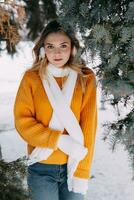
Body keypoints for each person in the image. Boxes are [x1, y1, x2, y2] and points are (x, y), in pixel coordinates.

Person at [14, 19, 98, 200]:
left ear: (73, 48)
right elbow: (23, 123)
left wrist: (82, 171)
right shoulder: (32, 78)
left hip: (74, 164)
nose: (57, 52)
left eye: (63, 45)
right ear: (43, 49)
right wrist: (58, 141)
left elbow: (89, 127)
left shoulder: (86, 78)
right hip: (41, 168)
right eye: (50, 46)